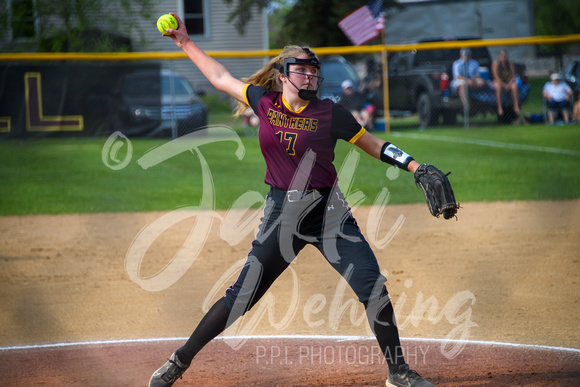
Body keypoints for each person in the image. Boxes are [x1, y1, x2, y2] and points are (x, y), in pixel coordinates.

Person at [149, 13, 447, 387]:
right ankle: (179, 361)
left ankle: (398, 372)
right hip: (282, 217)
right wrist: (185, 42)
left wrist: (415, 166)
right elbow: (219, 78)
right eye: (302, 70)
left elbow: (374, 144)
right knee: (241, 297)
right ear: (283, 74)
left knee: (373, 287)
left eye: (313, 70)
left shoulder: (330, 113)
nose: (310, 76)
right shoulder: (264, 101)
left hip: (329, 214)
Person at [491, 48, 520, 116]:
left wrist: (509, 84)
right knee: (498, 87)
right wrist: (504, 85)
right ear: (499, 56)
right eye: (501, 55)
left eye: (505, 55)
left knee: (514, 86)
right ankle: (499, 107)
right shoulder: (496, 64)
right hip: (499, 82)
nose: (503, 57)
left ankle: (516, 105)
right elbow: (496, 77)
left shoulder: (510, 64)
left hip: (508, 81)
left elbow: (512, 75)